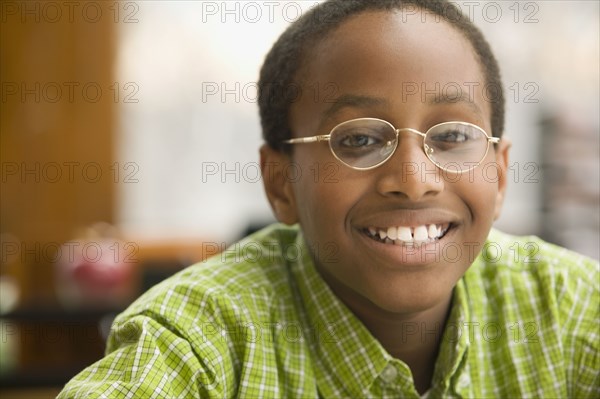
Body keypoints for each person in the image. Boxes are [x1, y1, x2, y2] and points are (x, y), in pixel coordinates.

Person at [58, 0, 599, 397]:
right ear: (281, 184)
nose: (413, 179)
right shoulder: (199, 339)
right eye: (359, 141)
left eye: (452, 136)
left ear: (500, 176)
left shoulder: (570, 308)